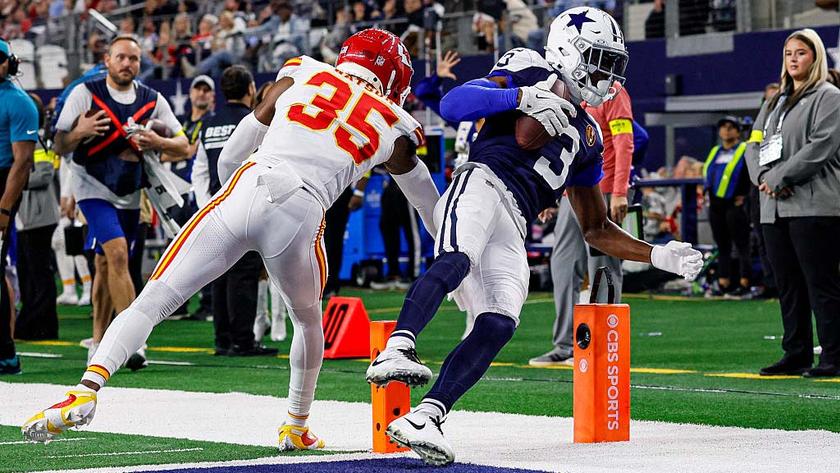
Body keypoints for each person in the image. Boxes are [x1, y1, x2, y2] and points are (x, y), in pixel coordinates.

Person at [23, 29, 441, 452]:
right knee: (308, 322)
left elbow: (234, 150)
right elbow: (429, 206)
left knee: (152, 300)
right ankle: (296, 424)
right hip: (302, 212)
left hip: (250, 182)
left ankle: (87, 387)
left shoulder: (303, 72)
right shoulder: (397, 124)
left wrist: (234, 208)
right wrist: (454, 257)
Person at [365, 8, 703, 466]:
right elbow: (454, 104)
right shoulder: (530, 67)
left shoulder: (590, 135)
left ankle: (427, 416)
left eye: (612, 64)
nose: (607, 74)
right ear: (570, 48)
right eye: (600, 60)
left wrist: (659, 255)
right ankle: (397, 346)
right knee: (458, 258)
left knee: (501, 319)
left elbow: (596, 228)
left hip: (518, 220)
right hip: (482, 180)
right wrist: (520, 97)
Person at [51, 35, 189, 368]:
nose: (128, 64)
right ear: (108, 60)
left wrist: (157, 140)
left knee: (104, 264)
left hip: (130, 191)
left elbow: (184, 145)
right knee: (116, 253)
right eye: (122, 57)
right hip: (92, 186)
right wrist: (79, 132)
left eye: (134, 59)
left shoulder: (151, 99)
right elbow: (58, 144)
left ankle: (98, 341)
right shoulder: (85, 93)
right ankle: (132, 343)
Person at [746, 29, 840, 378]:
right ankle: (796, 353)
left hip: (813, 205)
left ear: (816, 57)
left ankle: (834, 354)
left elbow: (821, 146)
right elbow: (753, 142)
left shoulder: (829, 97)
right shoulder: (774, 102)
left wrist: (779, 177)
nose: (793, 59)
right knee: (788, 285)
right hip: (773, 206)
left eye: (801, 53)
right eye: (788, 53)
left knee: (821, 283)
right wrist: (762, 178)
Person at [529, 81, 636, 366]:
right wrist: (551, 194)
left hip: (607, 189)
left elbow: (625, 142)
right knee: (563, 264)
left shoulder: (613, 92)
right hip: (573, 191)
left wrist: (620, 192)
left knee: (603, 269)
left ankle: (604, 343)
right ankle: (564, 345)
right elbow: (563, 148)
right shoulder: (573, 96)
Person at [192, 65, 276, 357]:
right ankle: (242, 340)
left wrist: (206, 204)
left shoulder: (208, 124)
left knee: (220, 274)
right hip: (245, 206)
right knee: (243, 274)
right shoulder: (254, 122)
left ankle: (223, 340)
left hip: (214, 207)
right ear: (251, 89)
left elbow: (199, 171)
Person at [0, 39, 38, 374]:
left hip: (3, 183)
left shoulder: (19, 102)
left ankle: (6, 351)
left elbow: (22, 162)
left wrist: (4, 208)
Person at [14, 93, 61, 340]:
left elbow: (43, 175)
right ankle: (34, 322)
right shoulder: (32, 139)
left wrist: (13, 179)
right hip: (28, 216)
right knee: (29, 272)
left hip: (39, 216)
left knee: (39, 272)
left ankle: (42, 325)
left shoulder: (40, 140)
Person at [704, 116, 751, 297]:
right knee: (722, 245)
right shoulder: (715, 151)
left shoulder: (744, 149)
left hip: (736, 204)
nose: (726, 131)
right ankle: (724, 282)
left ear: (738, 131)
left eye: (731, 127)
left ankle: (744, 282)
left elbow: (749, 174)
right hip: (716, 204)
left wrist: (744, 196)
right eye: (723, 127)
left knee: (741, 245)